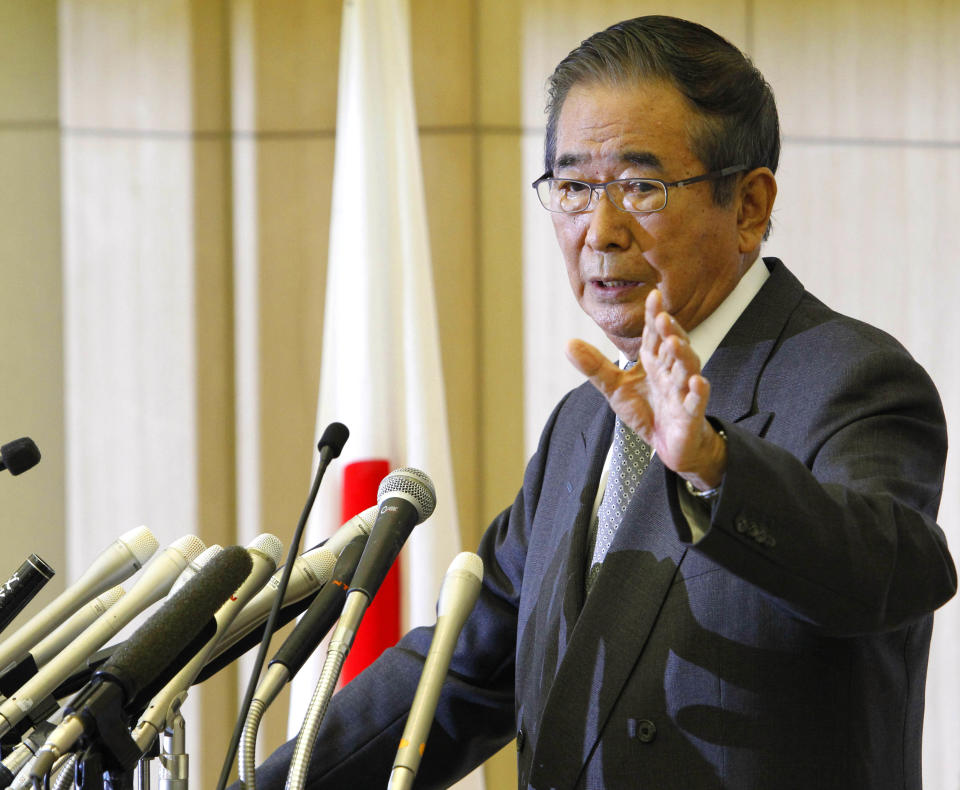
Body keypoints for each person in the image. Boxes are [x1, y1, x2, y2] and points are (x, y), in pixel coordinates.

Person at [242, 15, 956, 789]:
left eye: (642, 187)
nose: (600, 231)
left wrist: (717, 466)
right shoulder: (584, 423)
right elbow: (463, 667)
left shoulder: (853, 379)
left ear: (748, 206)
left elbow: (891, 577)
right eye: (575, 187)